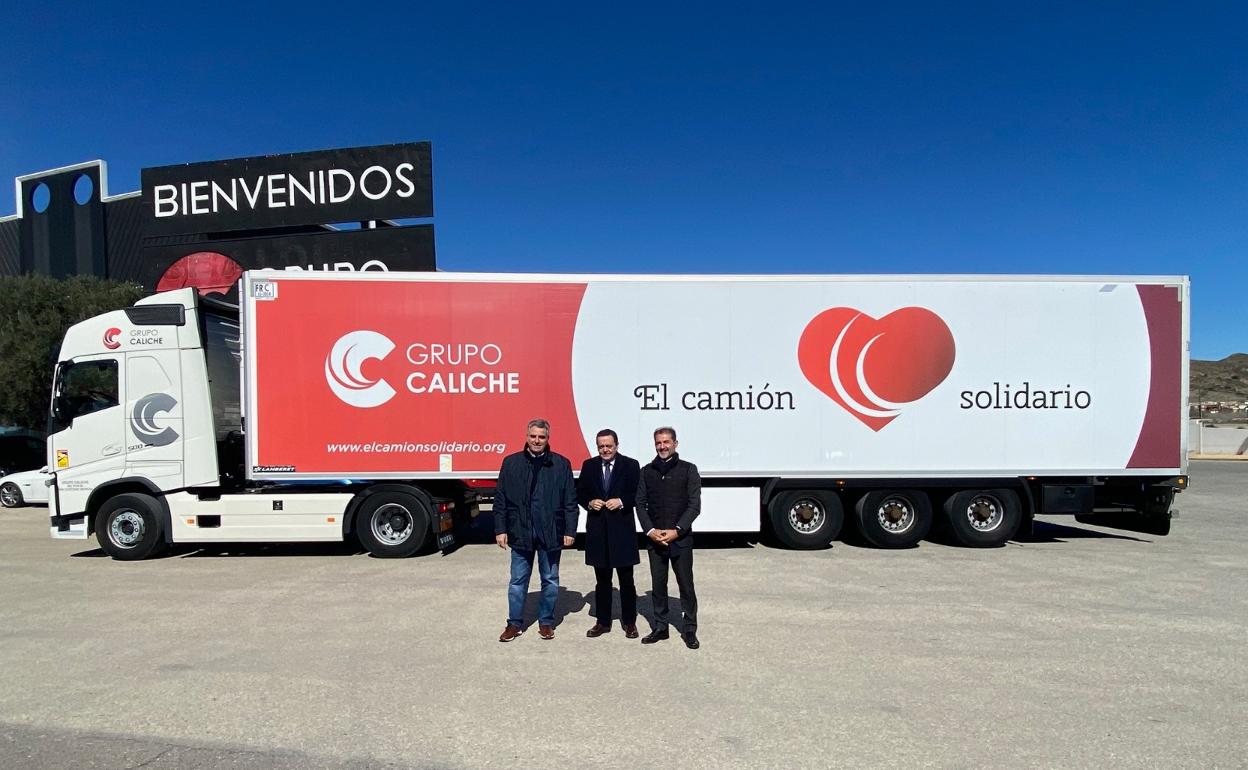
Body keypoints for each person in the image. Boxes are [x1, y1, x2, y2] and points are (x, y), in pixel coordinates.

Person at [494, 418, 578, 642]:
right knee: (517, 581)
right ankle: (514, 623)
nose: (537, 440)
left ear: (548, 438)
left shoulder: (561, 464)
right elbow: (501, 499)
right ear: (527, 436)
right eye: (533, 436)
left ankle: (546, 622)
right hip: (520, 531)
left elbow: (570, 501)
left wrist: (570, 531)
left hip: (550, 533)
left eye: (542, 437)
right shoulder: (511, 463)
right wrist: (501, 529)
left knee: (550, 580)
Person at [635, 426, 701, 649]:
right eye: (658, 443)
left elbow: (694, 505)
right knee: (658, 586)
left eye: (666, 442)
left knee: (686, 585)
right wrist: (650, 531)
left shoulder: (688, 470)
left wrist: (677, 530)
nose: (662, 446)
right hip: (655, 540)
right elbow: (640, 504)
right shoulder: (646, 471)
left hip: (680, 539)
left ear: (675, 443)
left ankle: (689, 629)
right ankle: (661, 627)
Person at [576, 428, 641, 639]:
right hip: (598, 532)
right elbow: (580, 492)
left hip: (622, 532)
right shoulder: (589, 465)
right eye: (601, 446)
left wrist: (621, 501)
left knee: (626, 580)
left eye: (609, 446)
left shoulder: (630, 465)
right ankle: (603, 622)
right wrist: (589, 502)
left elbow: (638, 494)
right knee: (602, 581)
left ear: (616, 445)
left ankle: (629, 622)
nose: (605, 450)